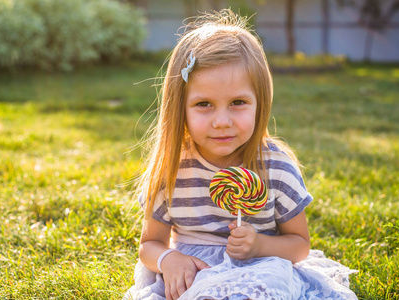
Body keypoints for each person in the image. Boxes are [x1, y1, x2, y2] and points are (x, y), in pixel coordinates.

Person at [124, 9, 358, 300]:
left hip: (259, 265)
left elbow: (299, 246)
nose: (222, 121)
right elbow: (149, 245)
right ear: (179, 107)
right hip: (191, 271)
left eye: (237, 102)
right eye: (204, 104)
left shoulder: (275, 168)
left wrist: (259, 246)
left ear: (260, 102)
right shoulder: (171, 170)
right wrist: (168, 260)